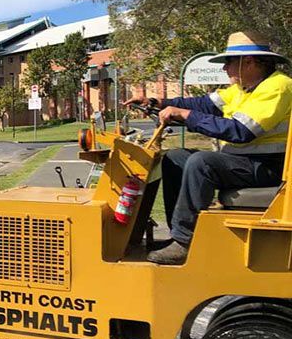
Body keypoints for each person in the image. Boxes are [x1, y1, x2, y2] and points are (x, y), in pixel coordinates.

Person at [124, 31, 292, 265]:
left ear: (250, 62)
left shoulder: (278, 86)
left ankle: (184, 242)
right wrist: (159, 102)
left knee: (201, 162)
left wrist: (186, 115)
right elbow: (203, 103)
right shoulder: (244, 88)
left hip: (268, 167)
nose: (225, 69)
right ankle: (178, 235)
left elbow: (240, 131)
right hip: (244, 163)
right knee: (176, 157)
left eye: (228, 62)